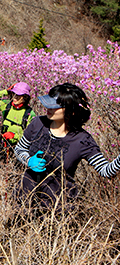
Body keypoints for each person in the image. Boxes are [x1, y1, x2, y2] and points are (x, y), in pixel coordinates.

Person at [14, 83, 120, 211]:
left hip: (59, 208)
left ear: (72, 111)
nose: (48, 108)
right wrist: (28, 160)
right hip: (25, 200)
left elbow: (105, 170)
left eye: (55, 106)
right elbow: (19, 149)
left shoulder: (82, 140)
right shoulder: (38, 124)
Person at [0, 82, 35, 161]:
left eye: (18, 96)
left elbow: (31, 136)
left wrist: (14, 136)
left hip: (19, 150)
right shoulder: (7, 106)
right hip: (3, 147)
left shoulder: (29, 113)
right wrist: (6, 91)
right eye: (14, 94)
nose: (15, 98)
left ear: (25, 97)